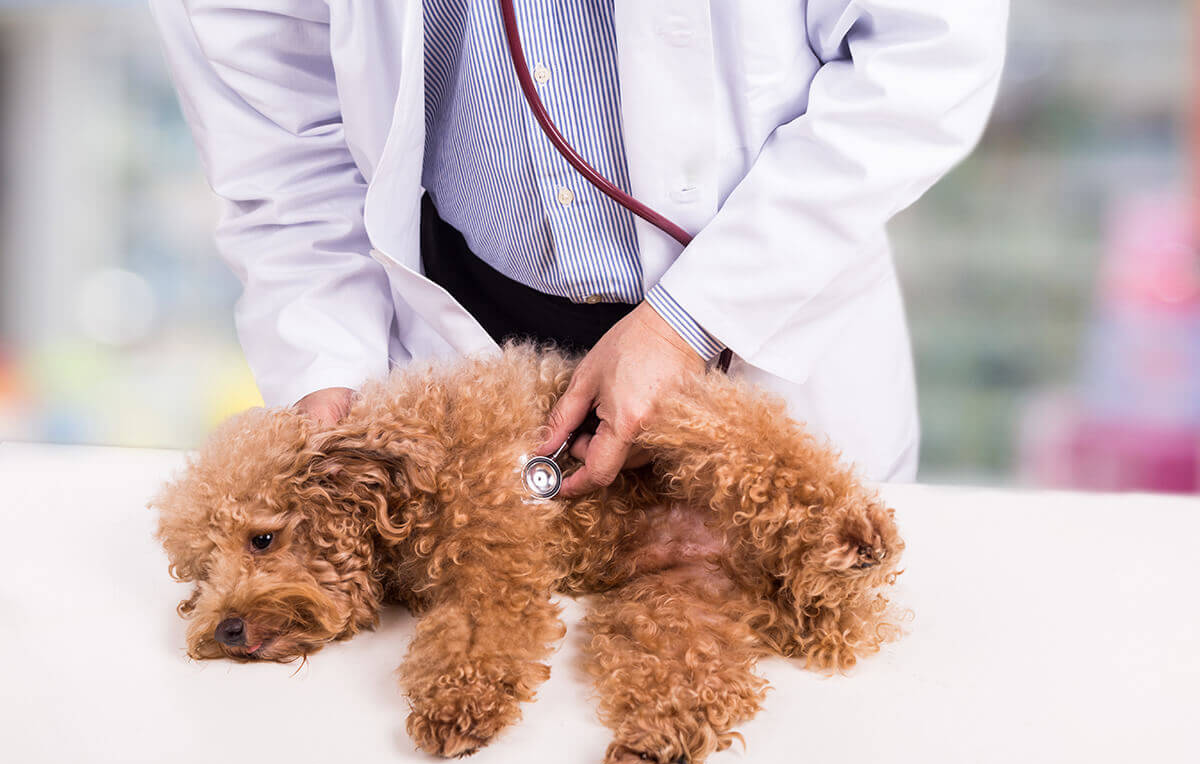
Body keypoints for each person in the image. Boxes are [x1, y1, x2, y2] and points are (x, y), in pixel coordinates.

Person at [151, 0, 1008, 494]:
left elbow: (925, 55)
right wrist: (325, 371)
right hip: (456, 347)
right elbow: (281, 136)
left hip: (759, 328)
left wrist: (689, 320)